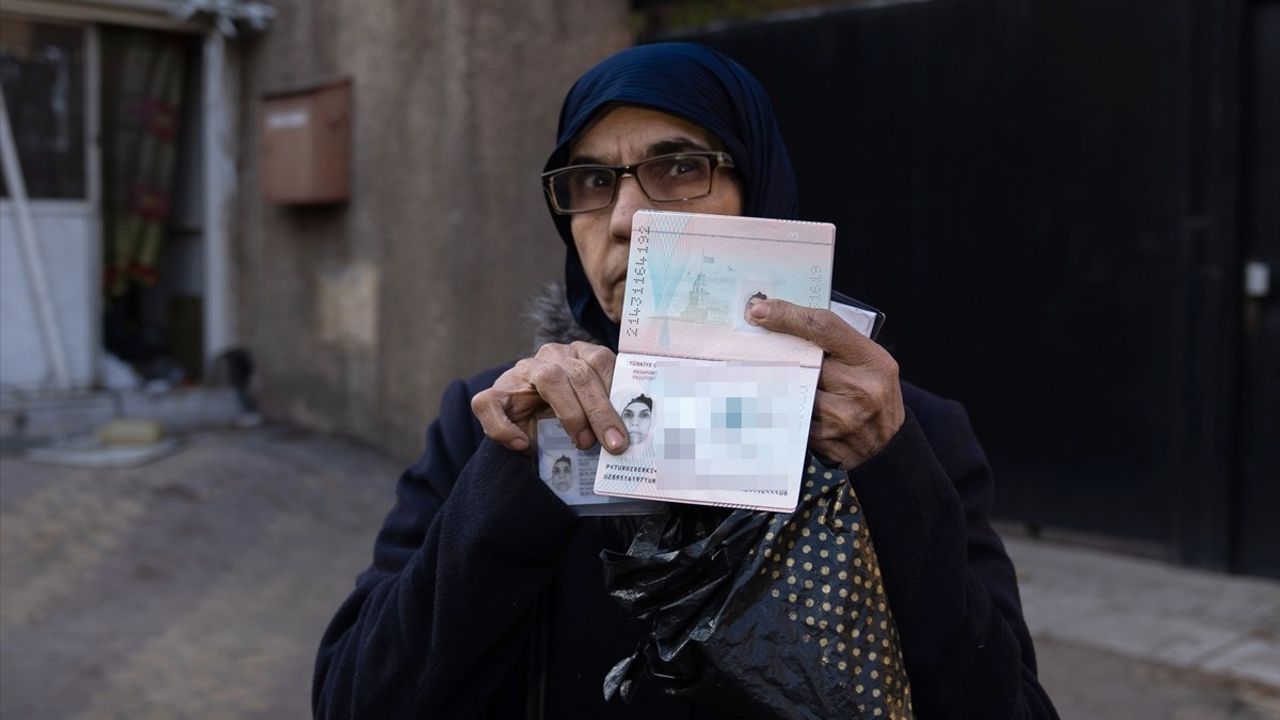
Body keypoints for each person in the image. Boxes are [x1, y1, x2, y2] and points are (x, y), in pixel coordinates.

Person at [312, 43, 1058, 719]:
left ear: (757, 186)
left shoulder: (902, 434)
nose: (628, 219)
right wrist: (521, 470)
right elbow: (357, 700)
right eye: (591, 181)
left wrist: (891, 475)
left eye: (678, 168)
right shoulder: (493, 424)